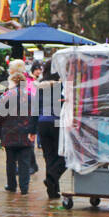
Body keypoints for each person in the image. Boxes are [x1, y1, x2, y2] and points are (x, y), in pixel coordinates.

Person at [0, 60, 37, 195]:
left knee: (10, 161)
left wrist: (0, 123)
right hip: (26, 133)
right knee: (24, 162)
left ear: (13, 81)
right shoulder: (30, 96)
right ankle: (24, 188)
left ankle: (11, 185)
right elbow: (35, 115)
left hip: (9, 132)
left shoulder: (6, 95)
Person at [35, 68, 66, 200]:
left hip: (42, 124)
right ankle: (52, 177)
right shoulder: (62, 87)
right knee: (64, 155)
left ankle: (53, 190)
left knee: (49, 157)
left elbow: (35, 109)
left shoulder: (40, 87)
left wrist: (32, 129)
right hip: (57, 124)